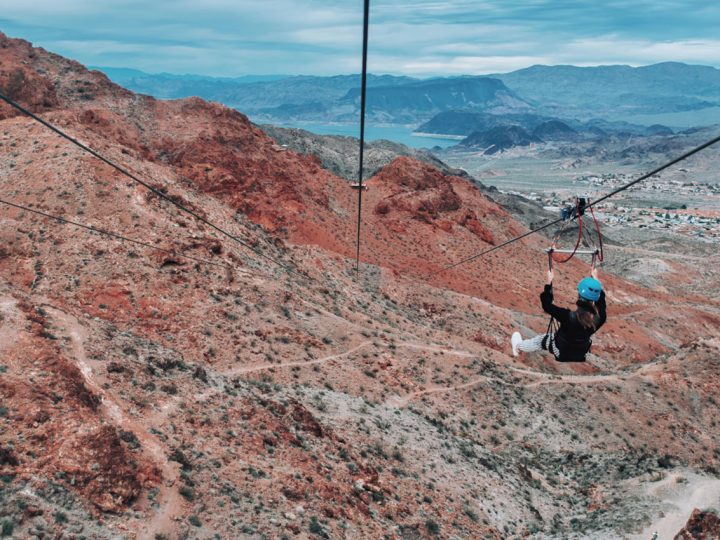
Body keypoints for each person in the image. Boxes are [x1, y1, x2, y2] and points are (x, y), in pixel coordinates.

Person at [511, 267, 606, 362]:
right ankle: (519, 346)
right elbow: (601, 304)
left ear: (579, 293)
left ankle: (518, 347)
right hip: (580, 353)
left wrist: (548, 282)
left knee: (539, 341)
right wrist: (596, 283)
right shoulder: (600, 318)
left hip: (561, 352)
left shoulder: (567, 316)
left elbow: (546, 305)